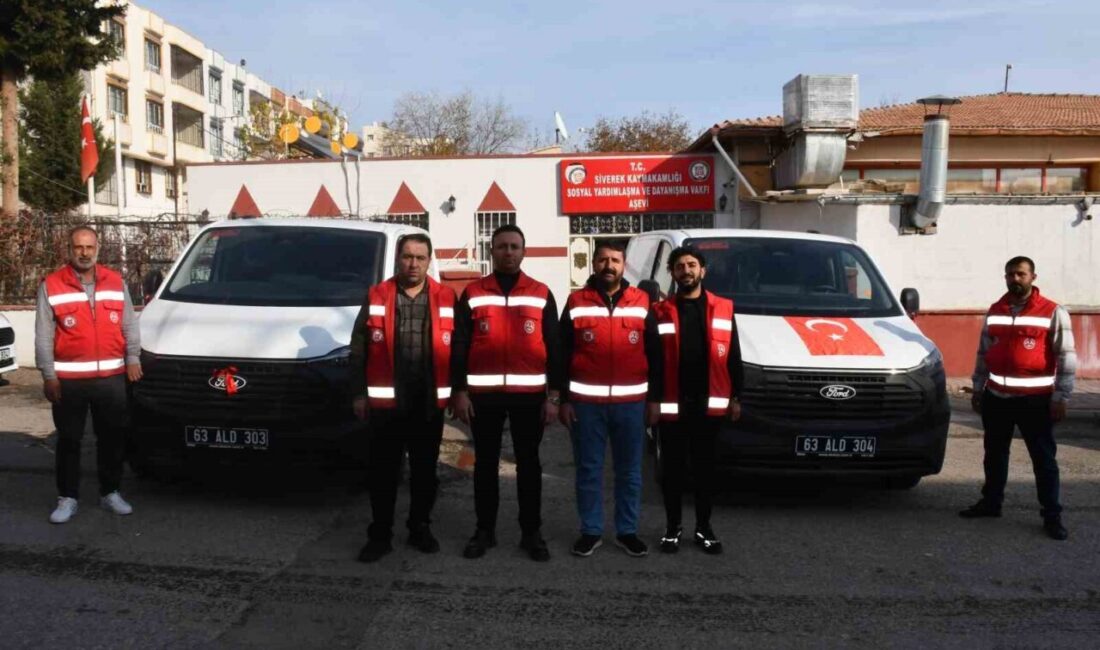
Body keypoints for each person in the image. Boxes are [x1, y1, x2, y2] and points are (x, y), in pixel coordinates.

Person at [451, 224, 562, 562]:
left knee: (529, 465)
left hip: (529, 396)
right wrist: (460, 391)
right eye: (502, 246)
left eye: (514, 246)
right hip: (483, 397)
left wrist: (554, 397)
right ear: (492, 251)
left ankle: (532, 532)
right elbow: (459, 346)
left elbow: (555, 348)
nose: (508, 252)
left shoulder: (542, 293)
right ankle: (485, 530)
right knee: (484, 465)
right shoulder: (472, 293)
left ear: (524, 251)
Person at [350, 233, 457, 562]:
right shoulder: (378, 295)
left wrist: (458, 392)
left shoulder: (446, 297)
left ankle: (419, 527)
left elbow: (460, 350)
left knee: (425, 472)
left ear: (429, 260)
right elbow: (359, 347)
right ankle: (380, 534)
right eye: (408, 256)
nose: (413, 263)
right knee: (383, 472)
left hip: (427, 403)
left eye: (420, 258)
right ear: (398, 258)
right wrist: (358, 393)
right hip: (386, 404)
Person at [961, 256, 1076, 540]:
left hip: (1035, 400)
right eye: (1010, 274)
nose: (1015, 279)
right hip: (997, 397)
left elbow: (1066, 356)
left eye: (1021, 274)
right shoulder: (996, 310)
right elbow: (983, 352)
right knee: (995, 455)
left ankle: (1052, 516)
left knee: (1043, 460)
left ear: (1033, 277)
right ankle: (991, 503)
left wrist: (1061, 396)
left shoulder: (1052, 311)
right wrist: (978, 388)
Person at [35, 225, 142, 524]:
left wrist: (132, 357)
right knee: (69, 440)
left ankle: (111, 493)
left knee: (112, 437)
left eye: (89, 247)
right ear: (69, 250)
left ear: (97, 249)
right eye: (78, 247)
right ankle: (67, 498)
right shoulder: (52, 285)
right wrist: (48, 375)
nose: (84, 253)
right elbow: (43, 336)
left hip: (111, 378)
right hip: (68, 381)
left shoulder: (115, 281)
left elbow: (129, 324)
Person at [559, 241, 660, 558]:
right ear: (593, 263)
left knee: (629, 472)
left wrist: (654, 400)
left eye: (614, 260)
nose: (608, 266)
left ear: (624, 263)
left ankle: (626, 531)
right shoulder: (576, 302)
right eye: (602, 260)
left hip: (631, 404)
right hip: (586, 405)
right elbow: (562, 354)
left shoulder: (642, 301)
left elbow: (656, 355)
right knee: (589, 470)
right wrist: (563, 398)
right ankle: (590, 531)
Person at [648, 246, 743, 555]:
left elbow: (734, 357)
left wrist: (736, 397)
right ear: (672, 274)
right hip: (672, 404)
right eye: (679, 266)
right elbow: (652, 361)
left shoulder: (725, 309)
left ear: (703, 270)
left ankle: (704, 529)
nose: (685, 271)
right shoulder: (660, 310)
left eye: (691, 265)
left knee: (705, 471)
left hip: (710, 404)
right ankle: (672, 528)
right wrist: (652, 400)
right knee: (672, 472)